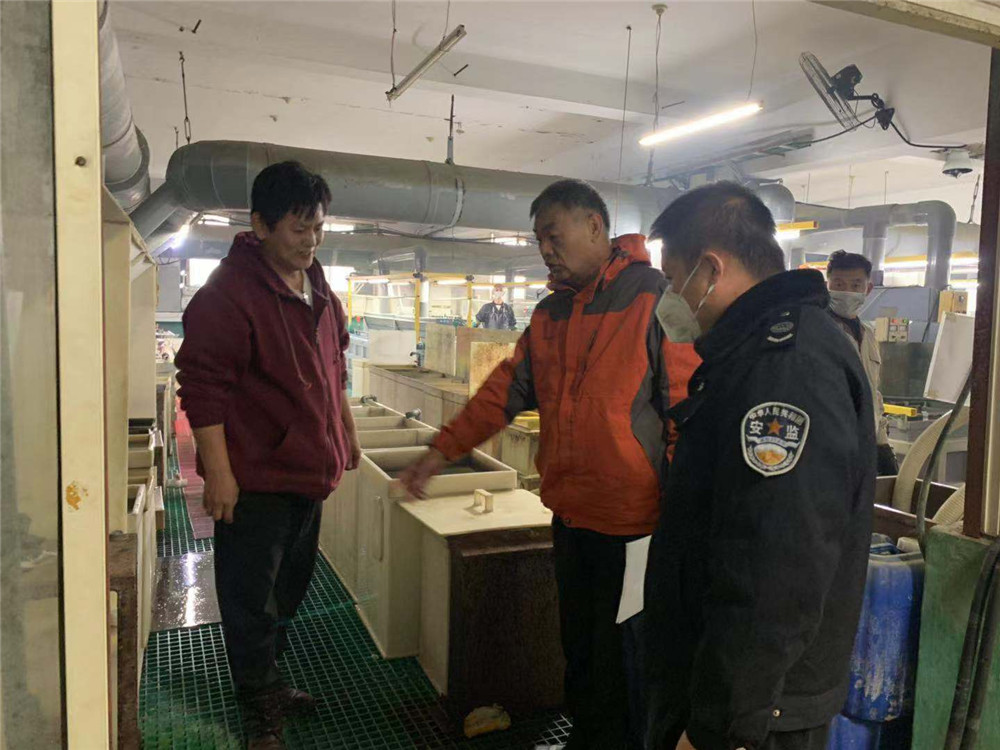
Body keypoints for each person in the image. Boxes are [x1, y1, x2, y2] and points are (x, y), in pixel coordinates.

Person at [402, 179, 698, 750]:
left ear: (595, 226)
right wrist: (441, 450)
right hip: (571, 518)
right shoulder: (550, 314)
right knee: (580, 649)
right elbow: (502, 393)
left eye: (553, 236)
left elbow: (686, 412)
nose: (545, 250)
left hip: (635, 529)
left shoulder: (655, 298)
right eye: (538, 239)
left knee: (625, 661)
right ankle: (586, 738)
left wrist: (683, 516)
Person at [644, 182, 875, 750]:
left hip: (756, 711)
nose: (670, 298)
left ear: (710, 270)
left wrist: (721, 724)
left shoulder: (786, 367)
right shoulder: (752, 353)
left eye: (673, 280)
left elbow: (776, 564)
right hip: (730, 685)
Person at [175, 161, 362, 750]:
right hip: (257, 480)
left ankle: (269, 681)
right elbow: (202, 388)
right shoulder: (228, 295)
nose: (311, 242)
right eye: (298, 229)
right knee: (250, 599)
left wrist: (347, 430)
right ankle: (258, 705)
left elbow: (335, 363)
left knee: (289, 591)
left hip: (308, 475)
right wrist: (219, 474)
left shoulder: (318, 284)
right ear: (260, 225)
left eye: (318, 228)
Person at [826, 250, 898, 475]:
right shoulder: (817, 331)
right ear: (827, 285)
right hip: (830, 450)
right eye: (839, 284)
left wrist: (882, 444)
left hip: (866, 447)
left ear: (868, 289)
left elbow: (874, 394)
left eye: (855, 285)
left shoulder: (869, 336)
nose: (846, 291)